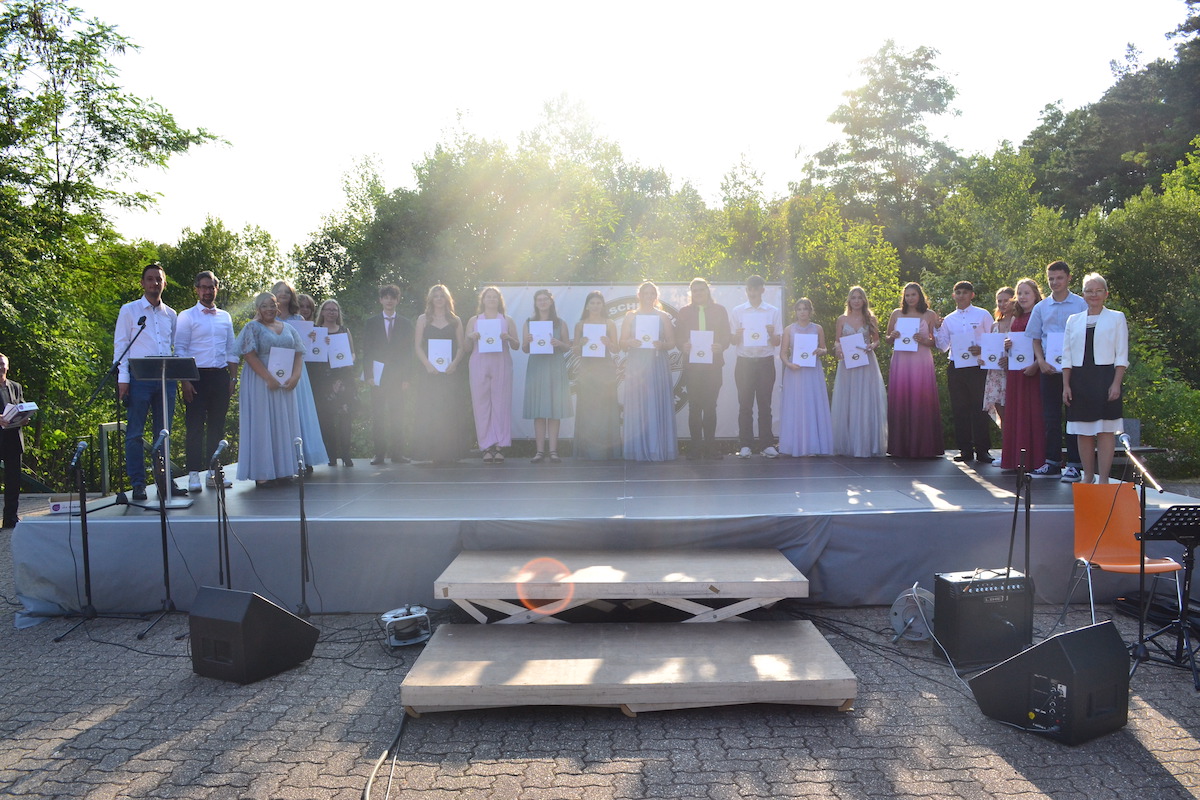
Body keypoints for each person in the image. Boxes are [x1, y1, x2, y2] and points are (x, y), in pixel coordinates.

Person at [113, 262, 183, 500]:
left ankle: (164, 481)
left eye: (159, 279)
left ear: (165, 284)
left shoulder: (171, 314)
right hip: (139, 379)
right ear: (142, 283)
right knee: (134, 433)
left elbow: (176, 347)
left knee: (163, 432)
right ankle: (138, 484)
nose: (155, 283)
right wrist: (123, 379)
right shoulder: (130, 310)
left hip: (165, 379)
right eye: (150, 279)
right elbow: (121, 346)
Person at [175, 270, 238, 492]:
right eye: (203, 287)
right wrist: (185, 380)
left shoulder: (225, 317)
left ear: (216, 289)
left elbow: (231, 348)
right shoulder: (186, 316)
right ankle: (193, 473)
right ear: (197, 289)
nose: (207, 291)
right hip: (196, 376)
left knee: (216, 427)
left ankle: (213, 472)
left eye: (211, 287)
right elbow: (180, 349)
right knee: (194, 427)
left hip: (220, 375)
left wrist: (233, 377)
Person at [1063, 273, 1128, 485]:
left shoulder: (1117, 318)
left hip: (1106, 378)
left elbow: (1122, 355)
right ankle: (1088, 476)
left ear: (1106, 293)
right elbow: (1067, 356)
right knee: (1083, 431)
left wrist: (1116, 383)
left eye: (1098, 291)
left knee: (1106, 430)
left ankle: (1104, 480)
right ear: (1083, 294)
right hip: (1079, 380)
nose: (1094, 295)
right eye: (1089, 291)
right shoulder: (1073, 320)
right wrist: (1066, 385)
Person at [235, 293, 306, 486]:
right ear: (258, 308)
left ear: (277, 307)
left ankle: (284, 469)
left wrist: (296, 376)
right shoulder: (252, 327)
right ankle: (263, 472)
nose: (269, 309)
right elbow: (249, 355)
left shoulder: (289, 328)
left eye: (272, 305)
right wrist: (268, 377)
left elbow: (299, 353)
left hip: (285, 381)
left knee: (283, 421)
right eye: (264, 306)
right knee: (263, 422)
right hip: (261, 381)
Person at [1026, 260, 1087, 482]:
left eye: (1059, 278)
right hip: (1049, 370)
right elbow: (1034, 338)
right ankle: (1052, 462)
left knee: (1074, 417)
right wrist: (1041, 361)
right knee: (1050, 417)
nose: (1055, 282)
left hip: (1076, 371)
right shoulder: (1041, 307)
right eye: (1051, 278)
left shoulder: (1081, 304)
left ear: (1069, 278)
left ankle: (1074, 465)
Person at [934, 281, 994, 464]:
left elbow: (994, 339)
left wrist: (982, 349)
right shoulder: (948, 319)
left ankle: (983, 450)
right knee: (960, 409)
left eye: (965, 292)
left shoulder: (983, 314)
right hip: (956, 367)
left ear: (972, 295)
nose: (961, 296)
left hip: (977, 366)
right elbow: (942, 347)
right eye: (958, 292)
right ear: (954, 295)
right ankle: (965, 450)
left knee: (980, 408)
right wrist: (936, 328)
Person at [272, 280, 328, 472]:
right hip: (275, 367)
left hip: (296, 368)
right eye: (279, 291)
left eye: (287, 292)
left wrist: (313, 339)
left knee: (300, 411)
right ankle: (283, 459)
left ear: (291, 296)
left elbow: (305, 348)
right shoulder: (268, 317)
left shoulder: (298, 319)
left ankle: (304, 458)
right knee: (280, 412)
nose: (283, 295)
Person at [619, 281, 678, 462]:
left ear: (656, 296)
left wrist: (662, 345)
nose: (649, 296)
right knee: (638, 405)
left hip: (657, 363)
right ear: (639, 295)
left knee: (656, 403)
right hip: (636, 365)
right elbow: (622, 343)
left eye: (652, 293)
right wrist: (630, 342)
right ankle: (638, 449)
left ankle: (656, 448)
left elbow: (672, 343)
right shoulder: (630, 316)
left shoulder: (663, 316)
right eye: (645, 293)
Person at [674, 278, 731, 460]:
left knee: (710, 406)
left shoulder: (720, 310)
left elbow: (726, 336)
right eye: (695, 290)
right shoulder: (684, 312)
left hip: (713, 365)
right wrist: (683, 345)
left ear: (708, 291)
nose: (698, 293)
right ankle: (696, 448)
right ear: (691, 293)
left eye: (701, 289)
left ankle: (711, 447)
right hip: (692, 367)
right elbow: (677, 337)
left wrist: (721, 345)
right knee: (694, 407)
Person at [412, 285, 470, 464]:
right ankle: (431, 453)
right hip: (430, 374)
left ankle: (450, 453)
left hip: (449, 373)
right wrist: (428, 365)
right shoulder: (423, 319)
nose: (438, 299)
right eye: (435, 296)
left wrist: (454, 364)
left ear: (447, 299)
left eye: (442, 296)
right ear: (431, 299)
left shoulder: (455, 320)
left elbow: (461, 347)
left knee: (449, 412)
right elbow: (417, 346)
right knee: (430, 411)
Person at [886, 282, 944, 459]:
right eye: (907, 295)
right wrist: (892, 336)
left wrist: (924, 340)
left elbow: (937, 341)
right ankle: (900, 446)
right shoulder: (896, 314)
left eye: (913, 295)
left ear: (920, 296)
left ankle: (924, 446)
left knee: (921, 399)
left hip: (921, 360)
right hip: (901, 360)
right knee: (901, 398)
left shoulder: (930, 314)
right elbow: (887, 339)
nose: (910, 298)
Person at [830, 286, 887, 458]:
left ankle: (865, 444)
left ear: (864, 300)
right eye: (853, 297)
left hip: (866, 363)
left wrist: (871, 346)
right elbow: (837, 341)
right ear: (849, 300)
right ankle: (848, 444)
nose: (856, 301)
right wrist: (838, 350)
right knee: (848, 400)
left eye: (859, 297)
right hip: (847, 364)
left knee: (865, 400)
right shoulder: (842, 319)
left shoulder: (870, 318)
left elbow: (877, 340)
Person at [729, 275, 782, 458]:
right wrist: (737, 335)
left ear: (762, 290)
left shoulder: (773, 311)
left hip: (765, 361)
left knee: (765, 405)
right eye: (749, 289)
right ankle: (745, 445)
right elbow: (732, 341)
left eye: (756, 289)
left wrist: (771, 333)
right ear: (746, 290)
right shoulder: (737, 311)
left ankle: (767, 444)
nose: (752, 292)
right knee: (745, 405)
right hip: (744, 362)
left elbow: (777, 342)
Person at [361, 284, 414, 465]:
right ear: (381, 300)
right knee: (378, 416)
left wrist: (407, 378)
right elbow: (367, 350)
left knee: (397, 416)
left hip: (398, 377)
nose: (389, 300)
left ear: (397, 300)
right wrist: (369, 374)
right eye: (386, 297)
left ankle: (398, 454)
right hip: (378, 376)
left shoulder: (406, 323)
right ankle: (379, 454)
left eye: (393, 297)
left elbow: (408, 353)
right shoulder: (372, 322)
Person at [465, 286, 518, 463]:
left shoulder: (507, 320)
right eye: (488, 296)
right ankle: (486, 447)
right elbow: (466, 347)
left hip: (501, 362)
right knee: (481, 405)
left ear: (499, 300)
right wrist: (471, 337)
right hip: (479, 363)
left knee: (501, 405)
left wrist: (509, 338)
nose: (491, 299)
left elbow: (517, 345)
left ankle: (500, 446)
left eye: (495, 297)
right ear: (483, 300)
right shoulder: (474, 320)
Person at [522, 289, 572, 464]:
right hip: (537, 367)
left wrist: (559, 343)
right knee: (538, 411)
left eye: (545, 299)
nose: (542, 302)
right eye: (539, 300)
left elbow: (568, 347)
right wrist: (527, 341)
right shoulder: (529, 322)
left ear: (551, 302)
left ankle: (553, 451)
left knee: (554, 410)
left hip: (555, 366)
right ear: (535, 303)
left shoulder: (560, 323)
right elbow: (524, 349)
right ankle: (539, 451)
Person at [1000, 279, 1045, 472]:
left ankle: (1036, 460)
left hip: (1034, 371)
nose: (1023, 297)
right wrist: (1007, 345)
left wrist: (1036, 365)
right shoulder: (1015, 316)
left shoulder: (1041, 314)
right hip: (1016, 372)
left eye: (1027, 293)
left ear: (1035, 294)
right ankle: (1015, 459)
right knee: (1016, 412)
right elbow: (1014, 342)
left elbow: (1046, 343)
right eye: (1020, 293)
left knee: (1033, 413)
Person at [778, 298, 833, 456]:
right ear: (795, 312)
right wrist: (788, 364)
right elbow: (783, 353)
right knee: (795, 405)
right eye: (799, 309)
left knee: (811, 404)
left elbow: (824, 349)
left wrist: (821, 351)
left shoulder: (817, 328)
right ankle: (793, 445)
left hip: (812, 371)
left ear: (810, 311)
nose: (802, 312)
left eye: (805, 309)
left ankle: (813, 445)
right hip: (794, 372)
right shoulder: (789, 329)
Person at [571, 291, 621, 460]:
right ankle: (587, 451)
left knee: (606, 408)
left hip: (605, 369)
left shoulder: (609, 323)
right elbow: (575, 351)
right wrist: (580, 344)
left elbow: (616, 349)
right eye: (592, 303)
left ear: (603, 305)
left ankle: (607, 451)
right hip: (587, 370)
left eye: (598, 303)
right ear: (587, 306)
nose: (595, 306)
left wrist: (609, 343)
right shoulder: (580, 325)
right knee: (587, 408)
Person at [310, 299, 358, 467]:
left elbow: (352, 353)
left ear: (338, 313)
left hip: (344, 378)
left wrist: (349, 362)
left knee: (345, 417)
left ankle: (346, 455)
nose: (331, 312)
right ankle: (331, 455)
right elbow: (312, 353)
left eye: (334, 310)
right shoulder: (316, 331)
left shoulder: (345, 330)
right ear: (322, 312)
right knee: (327, 419)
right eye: (328, 309)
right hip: (324, 380)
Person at [0, 353, 27, 529]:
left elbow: (21, 405)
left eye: (3, 364)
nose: (0, 368)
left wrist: (24, 417)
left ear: (8, 367)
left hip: (13, 439)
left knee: (13, 481)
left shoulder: (16, 386)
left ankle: (10, 518)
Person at [983, 287, 1015, 424]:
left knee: (1015, 413)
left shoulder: (1019, 322)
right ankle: (1005, 438)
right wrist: (984, 359)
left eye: (1006, 301)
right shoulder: (994, 325)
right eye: (999, 301)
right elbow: (990, 350)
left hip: (1013, 372)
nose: (1002, 304)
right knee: (1002, 416)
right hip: (996, 374)